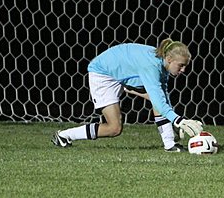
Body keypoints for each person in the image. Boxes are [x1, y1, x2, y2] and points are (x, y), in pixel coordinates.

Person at [52, 39, 203, 152]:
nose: (183, 70)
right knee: (114, 128)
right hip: (103, 75)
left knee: (158, 99)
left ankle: (170, 144)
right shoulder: (151, 66)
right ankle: (64, 135)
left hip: (120, 74)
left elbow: (162, 96)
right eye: (181, 65)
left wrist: (173, 120)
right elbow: (158, 98)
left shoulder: (163, 63)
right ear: (169, 59)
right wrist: (178, 120)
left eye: (185, 66)